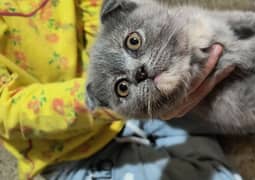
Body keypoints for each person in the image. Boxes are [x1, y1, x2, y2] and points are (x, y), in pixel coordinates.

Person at [0, 0, 238, 179]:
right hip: (69, 150)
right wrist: (107, 99)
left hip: (135, 100)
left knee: (230, 78)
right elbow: (8, 110)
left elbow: (104, 12)